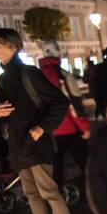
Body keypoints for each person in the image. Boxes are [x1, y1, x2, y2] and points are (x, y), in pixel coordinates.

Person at [0, 28, 75, 214]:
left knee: (49, 191)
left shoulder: (29, 74)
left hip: (36, 143)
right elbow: (5, 110)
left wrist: (41, 128)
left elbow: (60, 102)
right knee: (31, 193)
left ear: (12, 46)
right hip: (18, 144)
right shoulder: (3, 77)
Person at [37, 41, 90, 189]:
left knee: (56, 165)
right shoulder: (63, 76)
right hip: (68, 127)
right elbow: (74, 103)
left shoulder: (37, 76)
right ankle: (91, 191)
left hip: (48, 130)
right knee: (84, 160)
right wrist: (85, 127)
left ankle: (58, 196)